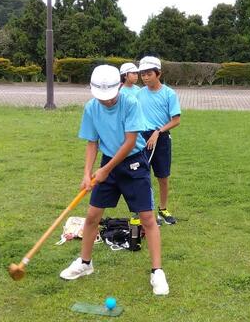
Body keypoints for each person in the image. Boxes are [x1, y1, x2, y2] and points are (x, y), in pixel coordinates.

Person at [59, 64, 169, 296]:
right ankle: (85, 263)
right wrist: (87, 173)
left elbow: (130, 141)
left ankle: (157, 271)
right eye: (101, 97)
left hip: (133, 163)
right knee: (92, 216)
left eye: (110, 96)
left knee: (147, 218)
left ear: (119, 86)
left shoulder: (130, 103)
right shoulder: (91, 108)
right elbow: (92, 142)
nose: (106, 101)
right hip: (107, 162)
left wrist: (105, 170)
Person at [136, 56, 181, 225]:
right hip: (142, 138)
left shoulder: (169, 94)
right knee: (142, 176)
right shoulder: (139, 94)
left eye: (149, 74)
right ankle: (146, 211)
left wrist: (158, 131)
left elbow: (176, 120)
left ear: (158, 74)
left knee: (163, 176)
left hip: (161, 138)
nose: (145, 78)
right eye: (143, 74)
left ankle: (163, 209)